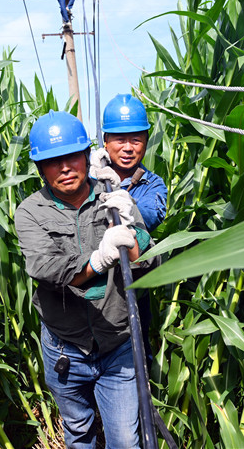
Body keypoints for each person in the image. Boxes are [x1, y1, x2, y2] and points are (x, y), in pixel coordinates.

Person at [15, 110, 157, 448]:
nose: (65, 167)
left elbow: (150, 264)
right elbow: (47, 269)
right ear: (40, 168)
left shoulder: (114, 198)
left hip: (117, 343)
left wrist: (131, 229)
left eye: (72, 157)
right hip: (65, 348)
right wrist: (99, 258)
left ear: (86, 157)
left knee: (126, 441)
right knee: (79, 433)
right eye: (53, 162)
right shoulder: (30, 212)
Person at [89, 94, 168, 363]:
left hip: (130, 288)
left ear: (146, 141)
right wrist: (90, 178)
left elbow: (147, 219)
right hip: (92, 282)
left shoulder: (153, 185)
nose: (128, 148)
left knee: (137, 357)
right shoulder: (89, 176)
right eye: (120, 140)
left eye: (136, 140)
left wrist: (120, 194)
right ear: (105, 141)